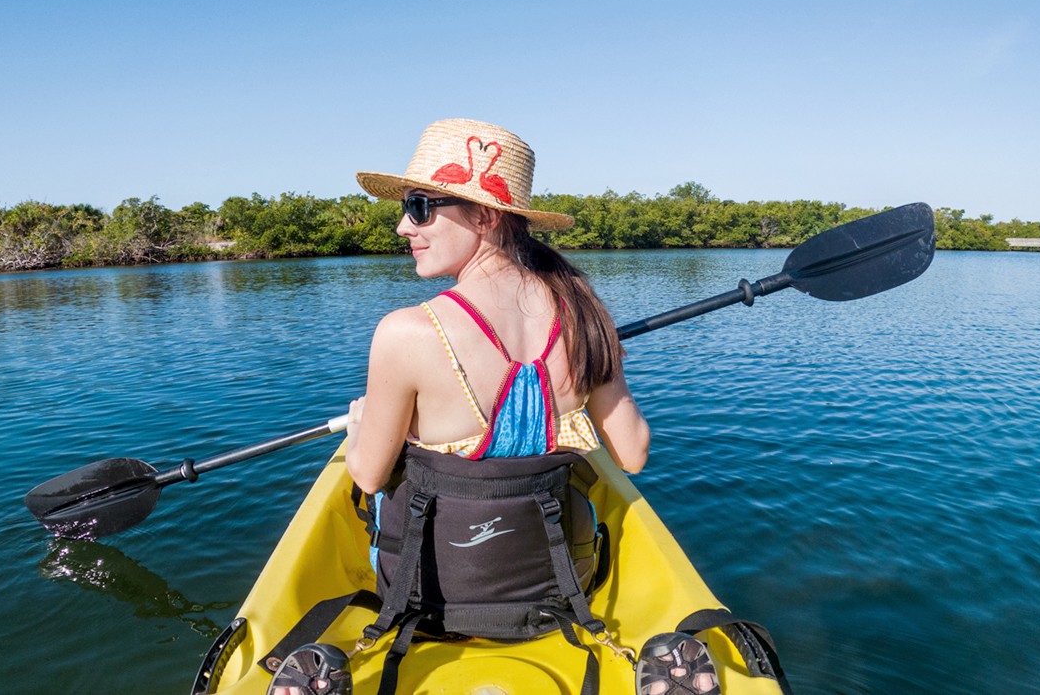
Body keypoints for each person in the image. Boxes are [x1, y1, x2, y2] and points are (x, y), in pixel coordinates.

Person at [266, 119, 716, 695]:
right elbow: (631, 454)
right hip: (556, 592)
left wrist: (361, 427)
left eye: (422, 206)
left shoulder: (406, 333)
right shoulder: (586, 318)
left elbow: (369, 474)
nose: (405, 226)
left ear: (485, 216)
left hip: (429, 599)